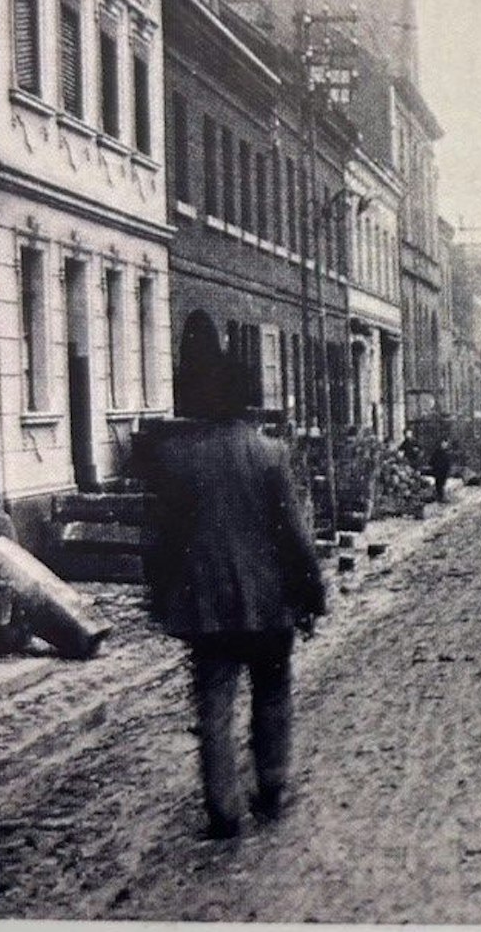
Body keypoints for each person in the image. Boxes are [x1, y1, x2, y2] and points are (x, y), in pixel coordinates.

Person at [135, 315, 327, 840]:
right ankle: (272, 786)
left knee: (214, 706)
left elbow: (165, 539)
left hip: (206, 606)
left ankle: (222, 810)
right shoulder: (269, 453)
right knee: (272, 695)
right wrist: (311, 592)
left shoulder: (175, 460)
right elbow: (293, 533)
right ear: (245, 400)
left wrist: (161, 598)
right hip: (268, 604)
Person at [428, 438, 454, 503]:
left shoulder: (447, 452)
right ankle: (440, 496)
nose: (444, 445)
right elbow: (431, 462)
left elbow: (449, 462)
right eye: (443, 443)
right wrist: (436, 466)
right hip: (438, 470)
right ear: (440, 443)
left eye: (446, 443)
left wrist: (448, 468)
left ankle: (441, 496)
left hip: (444, 471)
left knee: (443, 483)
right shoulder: (437, 452)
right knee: (439, 483)